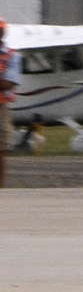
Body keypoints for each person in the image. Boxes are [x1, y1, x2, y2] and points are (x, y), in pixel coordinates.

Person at [0, 19, 16, 188]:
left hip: (1, 106)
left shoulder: (11, 54)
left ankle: (1, 188)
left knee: (1, 150)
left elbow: (8, 83)